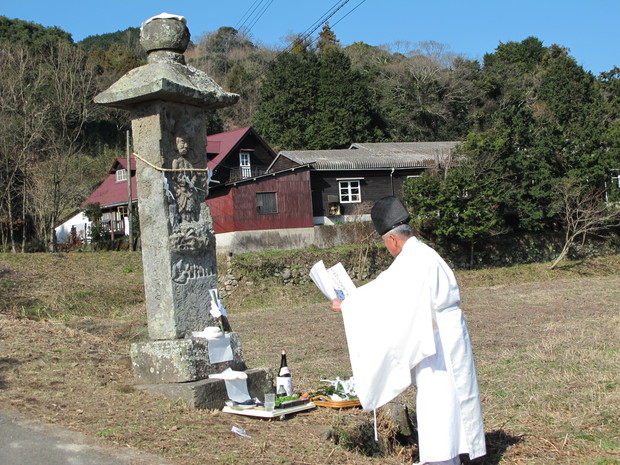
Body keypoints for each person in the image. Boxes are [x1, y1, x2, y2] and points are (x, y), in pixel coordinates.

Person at [331, 196, 486, 465]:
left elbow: (382, 295)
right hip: (448, 335)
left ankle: (440, 461)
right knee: (450, 400)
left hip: (437, 342)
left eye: (385, 244)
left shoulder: (411, 261)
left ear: (392, 239)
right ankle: (450, 458)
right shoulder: (426, 254)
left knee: (437, 405)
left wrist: (347, 306)